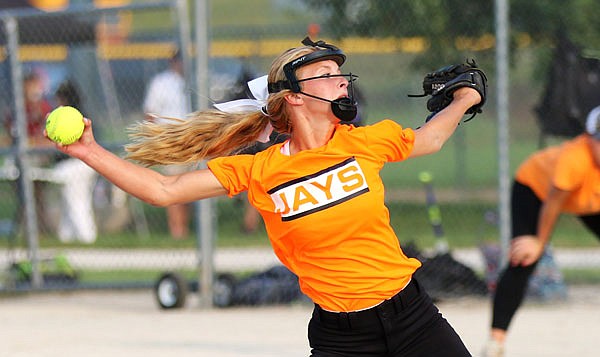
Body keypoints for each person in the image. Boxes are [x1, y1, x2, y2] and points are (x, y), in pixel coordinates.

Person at [49, 37, 482, 356]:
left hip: (412, 316)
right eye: (325, 76)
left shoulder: (363, 141)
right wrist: (89, 150)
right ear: (294, 96)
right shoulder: (261, 169)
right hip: (343, 337)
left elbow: (429, 138)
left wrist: (463, 98)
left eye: (339, 74)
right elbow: (163, 190)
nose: (341, 82)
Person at [483, 105, 600, 357]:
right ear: (589, 139)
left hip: (590, 199)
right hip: (535, 190)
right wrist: (538, 242)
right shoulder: (575, 158)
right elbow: (553, 203)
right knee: (524, 257)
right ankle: (496, 341)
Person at [142, 48, 193, 239]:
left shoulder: (193, 81)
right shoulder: (161, 82)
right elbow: (150, 113)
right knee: (173, 186)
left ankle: (184, 228)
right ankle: (176, 230)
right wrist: (152, 140)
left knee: (189, 187)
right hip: (170, 138)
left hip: (191, 139)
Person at [52, 80, 98, 243]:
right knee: (69, 202)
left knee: (77, 202)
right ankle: (66, 237)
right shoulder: (79, 113)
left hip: (75, 165)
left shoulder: (68, 116)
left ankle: (87, 237)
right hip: (85, 164)